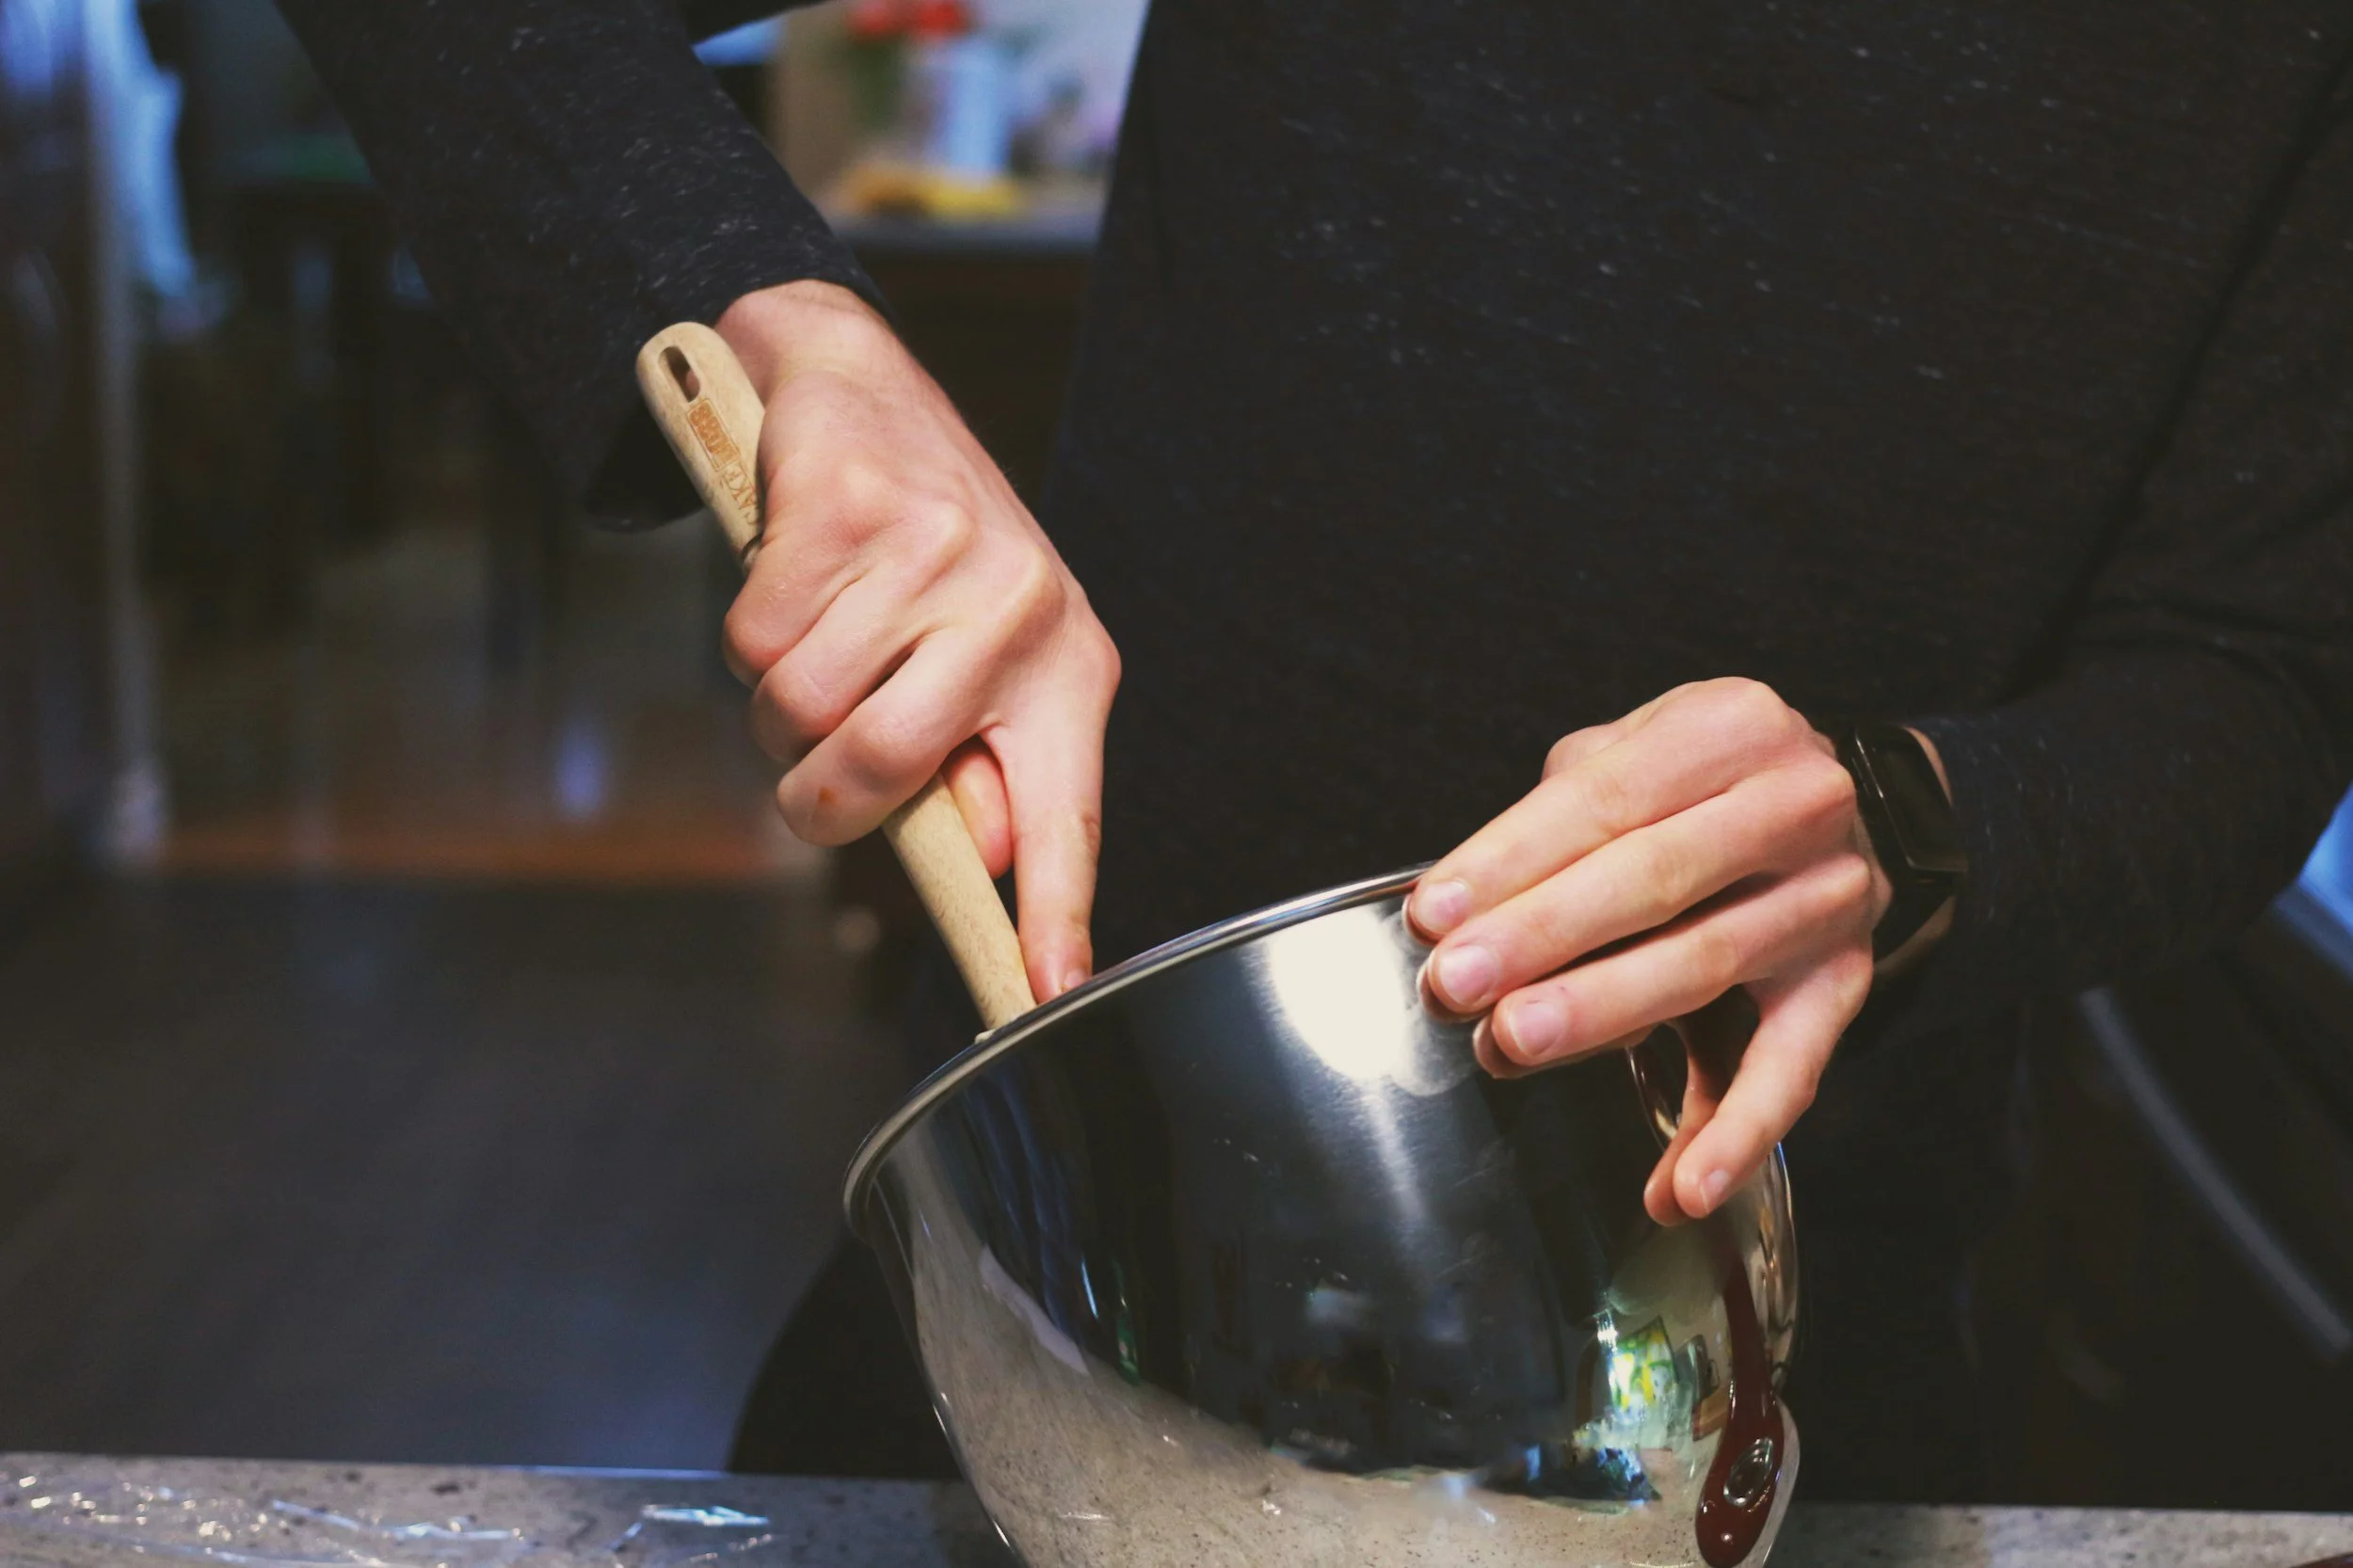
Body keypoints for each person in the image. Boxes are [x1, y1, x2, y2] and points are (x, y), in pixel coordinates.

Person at [275, 0, 2353, 1499]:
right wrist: (772, 314)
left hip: (1754, 1392)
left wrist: (1912, 821)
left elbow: (2253, 678)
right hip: (1059, 1323)